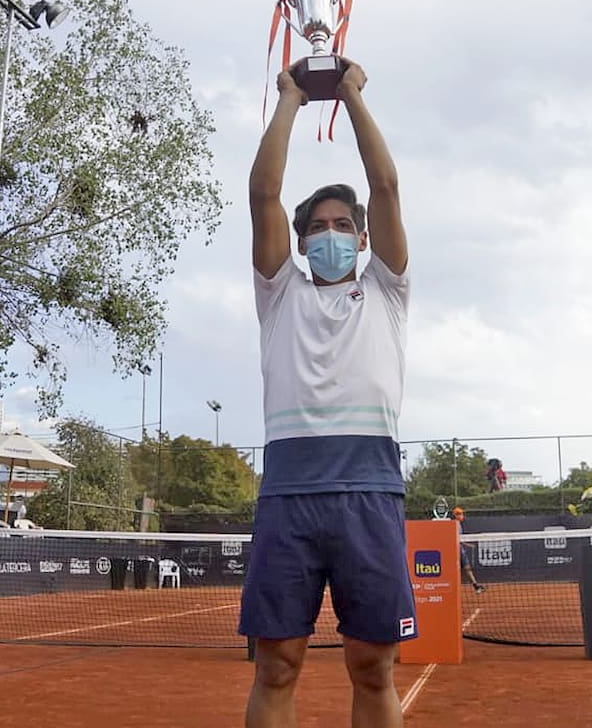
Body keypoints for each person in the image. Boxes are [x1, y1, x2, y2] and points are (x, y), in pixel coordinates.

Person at [240, 59, 414, 728]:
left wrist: (352, 95)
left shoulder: (388, 291)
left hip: (368, 489)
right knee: (277, 662)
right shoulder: (278, 293)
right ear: (303, 242)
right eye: (321, 227)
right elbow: (263, 195)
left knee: (372, 667)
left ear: (363, 239)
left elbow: (388, 185)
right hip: (288, 492)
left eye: (346, 225)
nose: (333, 234)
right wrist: (288, 98)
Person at [452, 507, 486, 594]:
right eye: (458, 514)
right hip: (455, 551)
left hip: (460, 550)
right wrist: (468, 545)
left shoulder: (459, 525)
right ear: (454, 515)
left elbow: (460, 540)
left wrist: (467, 544)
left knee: (467, 568)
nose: (461, 516)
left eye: (461, 514)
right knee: (459, 570)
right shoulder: (454, 525)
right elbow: (457, 540)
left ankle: (476, 586)